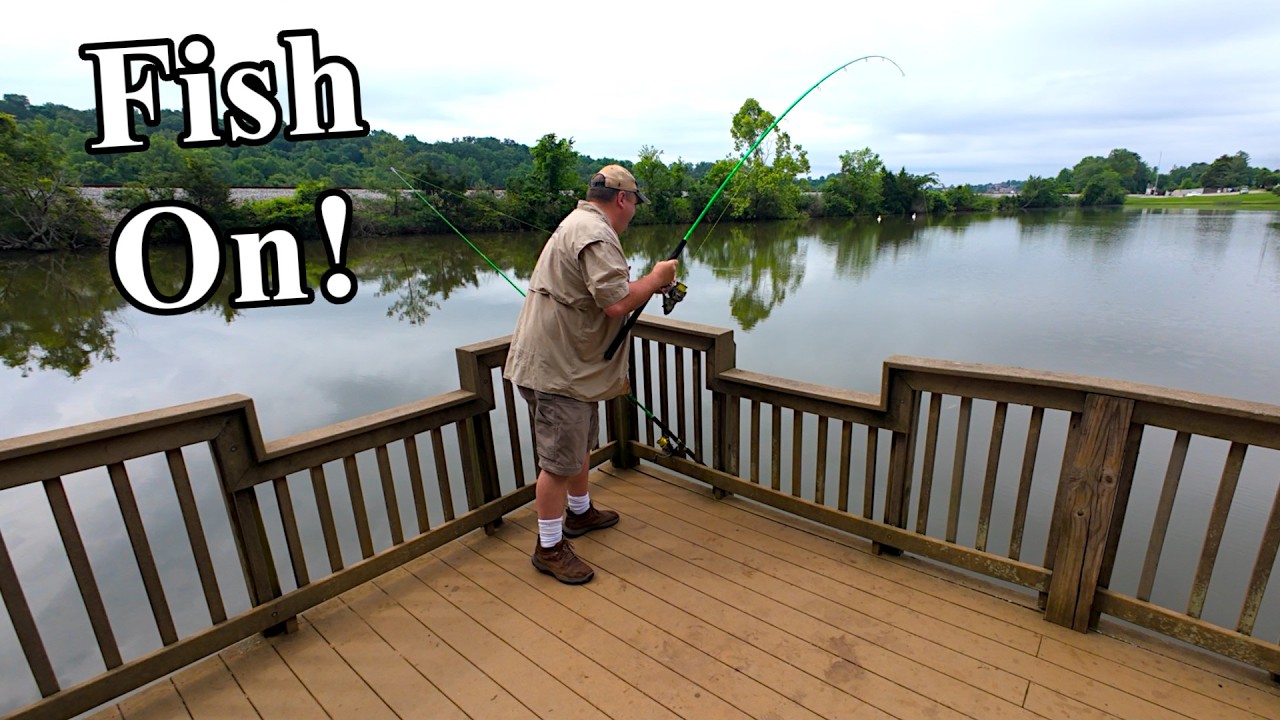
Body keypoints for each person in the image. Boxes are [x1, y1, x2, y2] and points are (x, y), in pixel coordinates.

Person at [504, 164, 678, 584]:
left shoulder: (580, 223)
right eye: (635, 201)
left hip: (571, 366)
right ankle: (548, 547)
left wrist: (646, 284)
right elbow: (616, 303)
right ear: (623, 198)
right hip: (559, 371)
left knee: (578, 445)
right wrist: (655, 279)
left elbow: (603, 291)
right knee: (558, 463)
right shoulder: (596, 233)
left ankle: (579, 515)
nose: (634, 210)